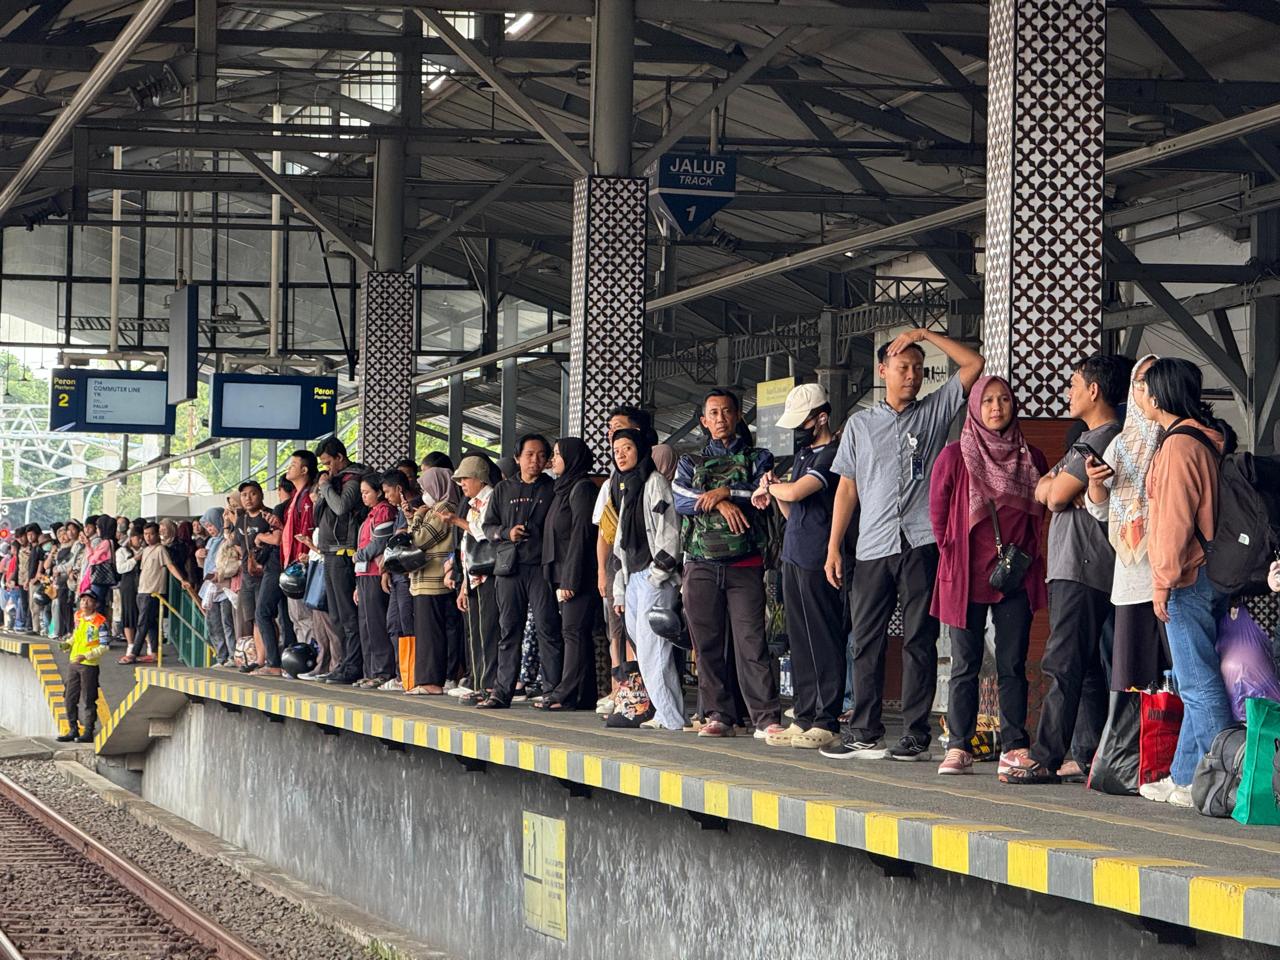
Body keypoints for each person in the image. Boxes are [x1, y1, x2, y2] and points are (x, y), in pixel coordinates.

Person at [821, 328, 985, 761]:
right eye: (903, 367)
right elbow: (846, 490)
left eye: (917, 368)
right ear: (883, 371)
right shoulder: (859, 424)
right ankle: (865, 730)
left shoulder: (933, 413)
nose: (912, 375)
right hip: (872, 546)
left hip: (921, 543)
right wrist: (834, 546)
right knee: (866, 639)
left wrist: (926, 334)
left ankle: (915, 735)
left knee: (919, 639)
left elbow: (973, 366)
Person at [1004, 355, 1131, 785]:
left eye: (1075, 383)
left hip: (1083, 563)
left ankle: (1045, 756)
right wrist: (1057, 488)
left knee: (1061, 662)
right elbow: (1044, 486)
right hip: (1074, 565)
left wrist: (1060, 489)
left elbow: (1054, 495)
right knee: (1087, 665)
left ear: (1094, 390)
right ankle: (1090, 752)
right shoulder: (1087, 439)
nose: (1069, 391)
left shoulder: (1105, 437)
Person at [929, 376, 1049, 775]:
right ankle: (959, 745)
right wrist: (952, 558)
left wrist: (1028, 561)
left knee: (1012, 663)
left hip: (1015, 576)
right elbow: (939, 516)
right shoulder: (954, 457)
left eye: (1004, 400)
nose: (997, 407)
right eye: (989, 401)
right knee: (965, 663)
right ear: (975, 407)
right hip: (966, 577)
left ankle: (1014, 744)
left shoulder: (1031, 457)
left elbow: (1039, 518)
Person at [1136, 358, 1236, 806]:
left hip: (1186, 575)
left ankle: (1222, 780)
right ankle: (1183, 776)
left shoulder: (1178, 447)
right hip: (1207, 571)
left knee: (1198, 683)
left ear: (1158, 397)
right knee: (1194, 678)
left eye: (1146, 389)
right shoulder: (1201, 439)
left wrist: (1164, 580)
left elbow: (1174, 521)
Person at [673, 388, 781, 740]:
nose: (721, 419)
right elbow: (681, 498)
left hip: (745, 564)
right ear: (704, 422)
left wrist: (724, 492)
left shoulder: (759, 457)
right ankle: (719, 714)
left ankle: (766, 718)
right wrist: (722, 503)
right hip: (701, 565)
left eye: (727, 412)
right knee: (706, 645)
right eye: (713, 413)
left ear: (737, 417)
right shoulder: (689, 462)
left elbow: (761, 493)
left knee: (752, 641)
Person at [753, 383, 846, 749]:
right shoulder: (805, 456)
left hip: (819, 557)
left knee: (823, 637)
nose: (798, 431)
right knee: (800, 639)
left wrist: (775, 488)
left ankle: (827, 717)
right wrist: (773, 489)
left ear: (821, 417)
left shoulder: (832, 455)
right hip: (794, 553)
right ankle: (805, 713)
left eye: (803, 422)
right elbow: (792, 508)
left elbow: (795, 492)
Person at [1085, 355, 1170, 692]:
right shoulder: (1120, 444)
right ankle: (1140, 744)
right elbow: (1102, 511)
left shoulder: (1174, 438)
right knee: (1134, 679)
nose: (1145, 389)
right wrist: (1094, 484)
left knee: (1173, 672)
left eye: (1152, 381)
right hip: (1131, 574)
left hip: (1170, 572)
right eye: (1139, 382)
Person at [608, 428, 686, 730]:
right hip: (632, 581)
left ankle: (672, 718)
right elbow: (619, 545)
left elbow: (670, 533)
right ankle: (667, 713)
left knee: (655, 652)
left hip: (655, 577)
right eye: (617, 450)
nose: (621, 454)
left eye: (627, 448)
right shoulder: (623, 487)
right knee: (646, 651)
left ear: (641, 449)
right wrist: (619, 591)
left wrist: (657, 575)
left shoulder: (655, 483)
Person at [479, 434, 560, 708]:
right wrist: (506, 533)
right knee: (508, 630)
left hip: (541, 568)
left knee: (547, 627)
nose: (535, 460)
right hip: (509, 568)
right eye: (529, 454)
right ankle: (502, 692)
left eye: (540, 455)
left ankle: (551, 691)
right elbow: (487, 527)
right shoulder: (503, 489)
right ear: (517, 458)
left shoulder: (553, 488)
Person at [594, 407, 653, 709]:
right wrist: (603, 572)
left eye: (620, 431)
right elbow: (605, 532)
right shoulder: (612, 483)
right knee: (616, 631)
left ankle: (639, 695)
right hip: (620, 570)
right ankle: (621, 691)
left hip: (649, 571)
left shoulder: (653, 480)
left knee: (640, 635)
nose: (614, 438)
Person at [538, 438, 599, 711]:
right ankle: (581, 695)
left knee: (573, 631)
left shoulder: (582, 488)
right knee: (574, 633)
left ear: (572, 458)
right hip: (561, 572)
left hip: (577, 575)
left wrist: (570, 580)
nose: (553, 459)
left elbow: (581, 536)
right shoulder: (563, 488)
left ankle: (565, 692)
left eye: (557, 454)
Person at [313, 437, 371, 685]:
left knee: (347, 615)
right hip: (329, 552)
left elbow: (341, 507)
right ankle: (344, 662)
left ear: (339, 457)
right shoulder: (334, 480)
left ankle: (353, 666)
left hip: (344, 552)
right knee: (336, 615)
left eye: (328, 462)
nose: (326, 469)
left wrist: (326, 487)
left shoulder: (353, 478)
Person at [445, 456, 498, 701]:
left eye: (465, 478)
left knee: (487, 630)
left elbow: (483, 532)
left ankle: (488, 684)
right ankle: (478, 682)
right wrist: (464, 583)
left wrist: (456, 520)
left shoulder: (491, 498)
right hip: (474, 575)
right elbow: (468, 546)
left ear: (479, 478)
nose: (462, 484)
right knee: (474, 630)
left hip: (488, 574)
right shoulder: (472, 502)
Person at [406, 467, 458, 695]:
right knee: (426, 631)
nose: (423, 492)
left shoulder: (444, 508)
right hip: (423, 579)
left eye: (426, 487)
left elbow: (418, 539)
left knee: (431, 632)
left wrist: (417, 515)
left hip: (434, 579)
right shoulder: (433, 509)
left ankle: (431, 681)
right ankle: (427, 679)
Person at [121, 522, 198, 664]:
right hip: (142, 590)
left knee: (143, 623)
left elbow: (170, 566)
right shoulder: (145, 550)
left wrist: (182, 579)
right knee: (150, 624)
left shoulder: (161, 549)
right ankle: (155, 652)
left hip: (153, 592)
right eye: (145, 534)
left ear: (157, 534)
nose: (148, 537)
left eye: (151, 534)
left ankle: (133, 653)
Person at [227, 481, 277, 669]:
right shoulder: (241, 520)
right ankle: (260, 659)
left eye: (253, 494)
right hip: (248, 574)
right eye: (244, 495)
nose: (248, 498)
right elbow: (239, 546)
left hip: (267, 572)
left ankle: (271, 657)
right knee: (254, 617)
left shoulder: (269, 516)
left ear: (261, 495)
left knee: (265, 616)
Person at [353, 476, 397, 688]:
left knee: (376, 623)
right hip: (363, 575)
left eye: (367, 492)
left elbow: (379, 543)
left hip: (374, 573)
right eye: (361, 493)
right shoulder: (369, 514)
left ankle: (382, 671)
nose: (364, 497)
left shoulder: (384, 511)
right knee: (366, 625)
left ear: (379, 492)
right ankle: (369, 670)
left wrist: (358, 556)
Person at [55, 592, 109, 743]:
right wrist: (68, 644)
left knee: (88, 699)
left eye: (88, 601)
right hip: (74, 663)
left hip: (89, 665)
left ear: (95, 604)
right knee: (69, 698)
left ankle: (88, 731)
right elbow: (76, 636)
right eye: (83, 600)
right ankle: (73, 729)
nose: (84, 603)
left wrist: (87, 655)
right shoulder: (78, 617)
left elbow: (104, 647)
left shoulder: (101, 622)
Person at [254, 476, 296, 668]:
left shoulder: (281, 508)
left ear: (280, 489)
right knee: (287, 616)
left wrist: (261, 536)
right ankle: (290, 660)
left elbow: (277, 539)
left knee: (263, 612)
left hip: (276, 565)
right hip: (292, 566)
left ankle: (273, 663)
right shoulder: (297, 504)